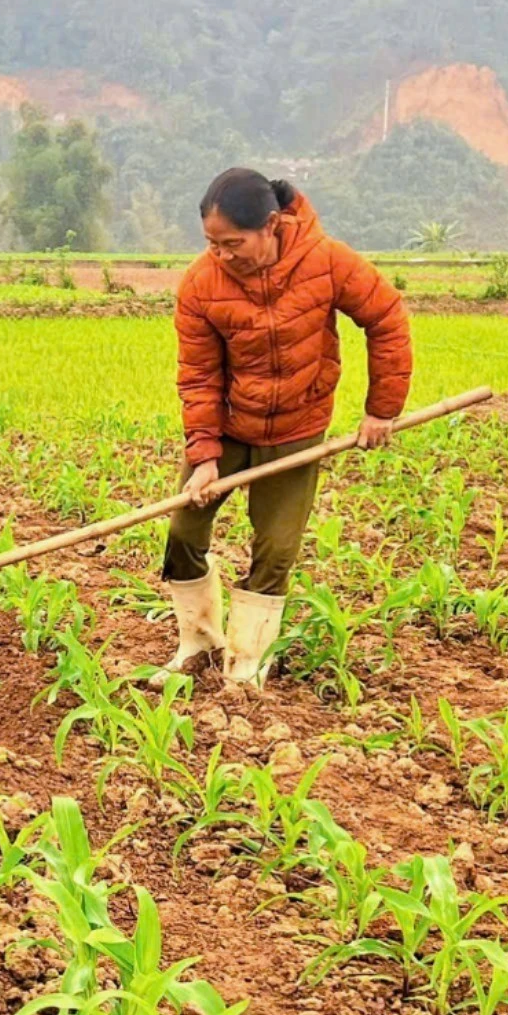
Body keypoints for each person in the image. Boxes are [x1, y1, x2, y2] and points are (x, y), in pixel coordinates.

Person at [163, 168, 412, 689]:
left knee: (276, 548)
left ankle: (247, 663)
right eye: (212, 243)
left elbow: (386, 316)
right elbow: (200, 375)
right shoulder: (201, 284)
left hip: (297, 425)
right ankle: (198, 643)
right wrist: (205, 455)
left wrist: (381, 409)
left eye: (233, 243)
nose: (222, 255)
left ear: (272, 225)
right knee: (184, 531)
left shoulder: (326, 261)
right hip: (229, 424)